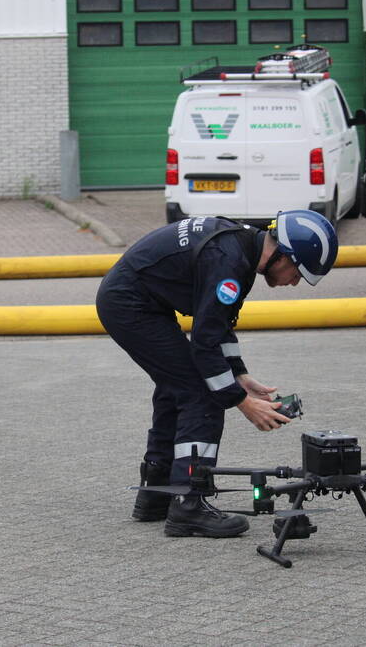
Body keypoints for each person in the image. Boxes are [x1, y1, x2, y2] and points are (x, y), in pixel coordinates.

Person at [95, 211, 338, 537]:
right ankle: (189, 504)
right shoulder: (230, 262)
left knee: (177, 387)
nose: (294, 282)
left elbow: (217, 324)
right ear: (283, 253)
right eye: (297, 272)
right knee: (201, 394)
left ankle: (156, 492)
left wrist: (240, 375)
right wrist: (241, 402)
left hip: (134, 300)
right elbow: (205, 346)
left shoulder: (244, 250)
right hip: (130, 305)